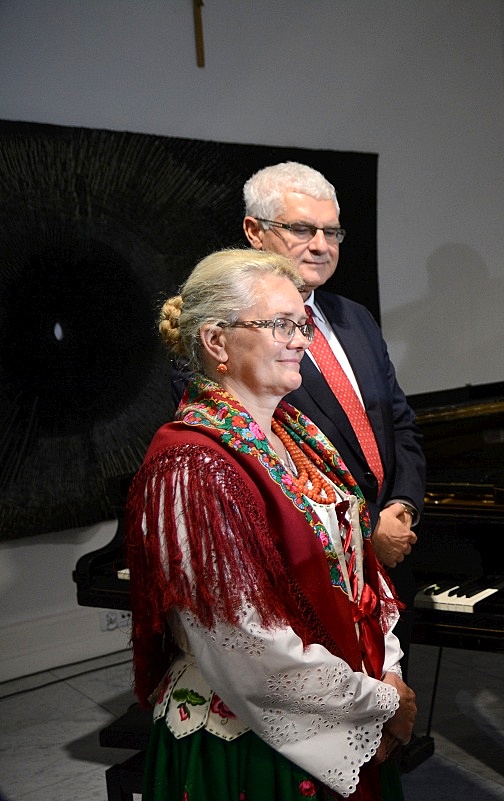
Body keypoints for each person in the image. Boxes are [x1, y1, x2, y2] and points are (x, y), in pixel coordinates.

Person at [126, 249, 417, 800]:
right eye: (281, 325)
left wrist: (390, 669)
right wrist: (379, 701)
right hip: (254, 745)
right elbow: (246, 647)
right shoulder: (192, 465)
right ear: (217, 342)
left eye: (302, 325)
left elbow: (358, 574)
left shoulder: (296, 433)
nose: (302, 340)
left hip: (349, 703)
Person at [241, 162, 426, 678]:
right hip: (310, 579)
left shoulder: (355, 318)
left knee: (393, 702)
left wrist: (402, 508)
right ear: (255, 232)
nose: (321, 245)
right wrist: (366, 530)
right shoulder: (232, 333)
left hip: (392, 559)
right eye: (302, 229)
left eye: (332, 232)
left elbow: (400, 425)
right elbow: (255, 465)